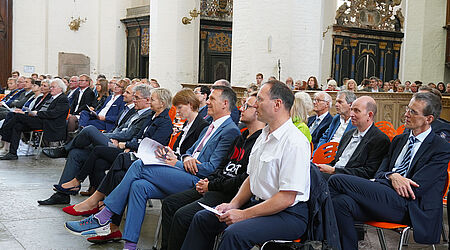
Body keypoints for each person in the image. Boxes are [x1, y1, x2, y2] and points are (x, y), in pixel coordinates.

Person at [64, 85, 241, 250]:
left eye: (212, 99)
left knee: (139, 165)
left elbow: (211, 168)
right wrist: (179, 157)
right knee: (138, 186)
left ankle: (103, 216)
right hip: (183, 171)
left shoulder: (229, 130)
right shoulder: (210, 126)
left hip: (197, 181)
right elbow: (190, 152)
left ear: (225, 104)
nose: (207, 101)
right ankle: (130, 245)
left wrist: (178, 162)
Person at [181, 80, 310, 250]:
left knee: (235, 234)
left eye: (260, 99)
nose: (256, 105)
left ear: (277, 104)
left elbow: (286, 197)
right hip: (260, 205)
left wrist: (243, 214)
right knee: (203, 218)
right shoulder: (263, 135)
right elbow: (251, 177)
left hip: (287, 215)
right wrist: (233, 204)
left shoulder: (294, 142)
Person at [329, 92, 450, 250]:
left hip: (410, 206)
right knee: (340, 203)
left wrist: (390, 179)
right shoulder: (399, 140)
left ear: (428, 119)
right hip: (384, 195)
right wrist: (393, 176)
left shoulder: (440, 148)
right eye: (407, 109)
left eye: (413, 112)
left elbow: (416, 188)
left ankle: (317, 235)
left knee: (336, 180)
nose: (406, 114)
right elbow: (379, 173)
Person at [160, 93, 265, 250]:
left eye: (246, 106)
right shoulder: (241, 137)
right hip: (215, 185)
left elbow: (243, 178)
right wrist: (210, 181)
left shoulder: (256, 140)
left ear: (257, 111)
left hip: (229, 194)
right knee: (170, 203)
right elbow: (222, 166)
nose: (241, 110)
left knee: (186, 216)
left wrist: (212, 185)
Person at [38, 84, 153, 205]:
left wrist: (108, 137)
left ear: (147, 100)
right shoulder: (135, 111)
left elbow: (128, 135)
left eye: (136, 97)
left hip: (122, 149)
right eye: (133, 96)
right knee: (76, 153)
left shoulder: (146, 115)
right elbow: (118, 129)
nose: (133, 99)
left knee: (89, 130)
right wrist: (111, 136)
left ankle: (64, 150)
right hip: (115, 142)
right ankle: (62, 195)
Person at [316, 96, 390, 180]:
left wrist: (334, 171)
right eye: (351, 109)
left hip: (349, 180)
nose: (351, 114)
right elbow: (336, 161)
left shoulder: (379, 139)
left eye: (356, 111)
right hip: (334, 174)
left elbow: (368, 172)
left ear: (369, 115)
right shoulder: (348, 134)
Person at [0, 79, 70, 160]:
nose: (51, 89)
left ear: (60, 88)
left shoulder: (63, 99)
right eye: (50, 87)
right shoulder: (50, 97)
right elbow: (39, 109)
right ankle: (12, 153)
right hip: (40, 119)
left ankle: (3, 131)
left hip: (49, 123)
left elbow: (53, 114)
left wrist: (36, 113)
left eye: (53, 87)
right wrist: (30, 113)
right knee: (17, 125)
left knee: (17, 116)